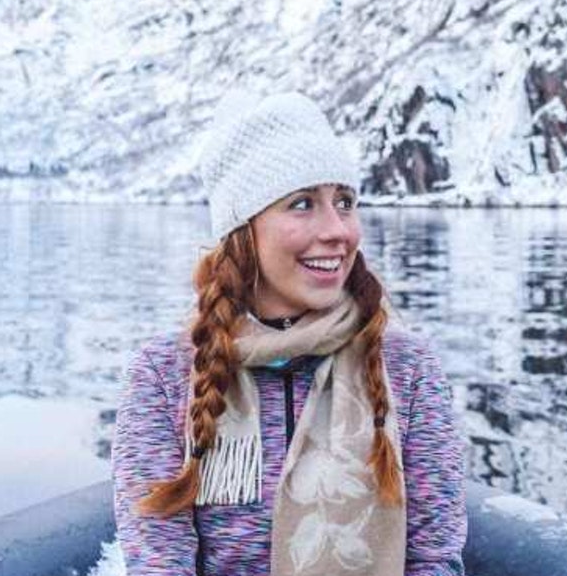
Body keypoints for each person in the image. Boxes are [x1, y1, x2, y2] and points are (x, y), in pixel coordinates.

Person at [111, 92, 466, 576]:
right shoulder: (163, 374)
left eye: (344, 202)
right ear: (243, 229)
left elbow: (433, 558)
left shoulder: (408, 366)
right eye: (303, 204)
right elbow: (158, 562)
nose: (338, 229)